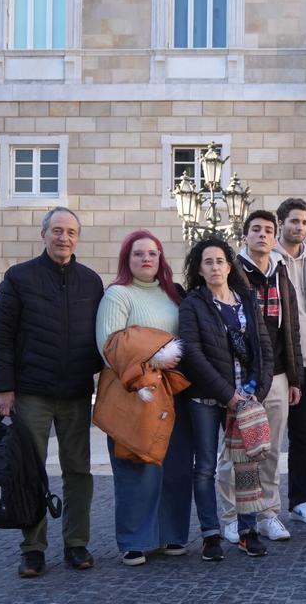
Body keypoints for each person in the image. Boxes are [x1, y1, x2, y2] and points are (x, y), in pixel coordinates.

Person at [0, 207, 104, 578]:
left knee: (78, 471)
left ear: (78, 238)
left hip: (75, 392)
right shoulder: (18, 277)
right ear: (43, 235)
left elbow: (101, 339)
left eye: (71, 232)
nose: (63, 238)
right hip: (31, 392)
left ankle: (76, 543)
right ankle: (33, 547)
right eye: (57, 231)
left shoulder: (91, 281)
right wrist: (4, 388)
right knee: (29, 471)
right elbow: (2, 336)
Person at [94, 230, 192, 566]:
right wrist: (155, 358)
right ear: (127, 259)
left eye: (152, 253)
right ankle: (135, 540)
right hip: (135, 393)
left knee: (176, 467)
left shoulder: (173, 296)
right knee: (137, 466)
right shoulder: (118, 295)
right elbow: (109, 347)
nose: (146, 259)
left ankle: (172, 534)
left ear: (161, 259)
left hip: (172, 392)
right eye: (138, 254)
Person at [177, 236, 273, 561]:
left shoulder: (246, 299)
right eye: (208, 262)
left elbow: (264, 349)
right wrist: (227, 394)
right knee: (204, 467)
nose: (215, 267)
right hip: (206, 398)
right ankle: (211, 535)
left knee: (246, 465)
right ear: (199, 269)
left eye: (220, 261)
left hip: (245, 397)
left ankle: (248, 531)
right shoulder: (192, 304)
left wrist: (256, 392)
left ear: (229, 266)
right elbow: (192, 353)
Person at [217, 211, 303, 543]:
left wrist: (295, 377)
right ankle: (231, 516)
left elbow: (291, 328)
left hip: (278, 374)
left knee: (270, 450)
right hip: (242, 377)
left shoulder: (282, 273)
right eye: (256, 230)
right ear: (245, 235)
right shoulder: (232, 273)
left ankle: (268, 513)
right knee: (234, 453)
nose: (263, 235)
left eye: (269, 230)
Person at [273, 197, 306, 526]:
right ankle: (261, 507)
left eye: (304, 222)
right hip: (278, 366)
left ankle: (300, 500)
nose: (300, 227)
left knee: (302, 437)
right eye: (294, 221)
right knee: (264, 441)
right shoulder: (267, 263)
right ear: (281, 223)